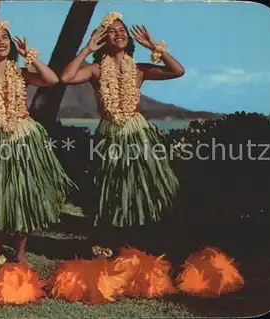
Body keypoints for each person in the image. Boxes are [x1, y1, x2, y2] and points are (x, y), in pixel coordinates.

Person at [60, 12, 185, 256]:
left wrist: (154, 46)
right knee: (113, 189)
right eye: (111, 32)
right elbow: (66, 77)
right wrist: (86, 49)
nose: (118, 34)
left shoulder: (138, 69)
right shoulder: (95, 70)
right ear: (103, 39)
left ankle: (141, 244)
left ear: (129, 38)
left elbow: (177, 71)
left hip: (138, 133)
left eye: (121, 31)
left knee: (143, 187)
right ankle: (112, 242)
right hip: (110, 134)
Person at [0, 20, 76, 266]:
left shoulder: (19, 72)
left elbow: (51, 80)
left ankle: (20, 255)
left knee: (24, 195)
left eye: (4, 38)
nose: (0, 42)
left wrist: (29, 57)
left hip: (25, 135)